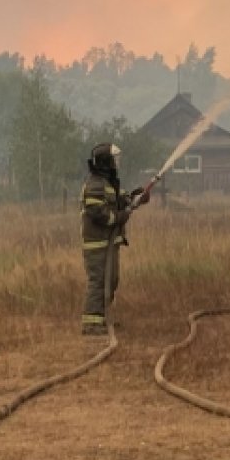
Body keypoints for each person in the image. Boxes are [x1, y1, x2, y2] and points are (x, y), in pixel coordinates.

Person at [80, 143, 149, 335]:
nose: (118, 163)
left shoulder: (108, 183)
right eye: (115, 159)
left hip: (108, 243)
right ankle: (91, 324)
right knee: (99, 281)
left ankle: (103, 319)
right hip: (97, 244)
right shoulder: (95, 185)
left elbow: (120, 200)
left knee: (110, 280)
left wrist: (137, 197)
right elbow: (98, 213)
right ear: (105, 162)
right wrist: (120, 217)